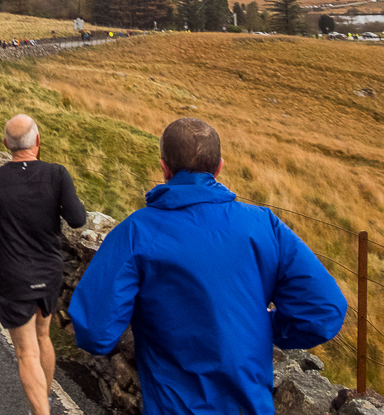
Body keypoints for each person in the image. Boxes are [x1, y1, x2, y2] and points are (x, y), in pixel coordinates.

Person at [68, 117, 347, 415]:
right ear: (219, 167)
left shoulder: (136, 232)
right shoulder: (264, 225)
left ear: (164, 168)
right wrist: (267, 327)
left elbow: (95, 332)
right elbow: (324, 312)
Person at [0, 116, 85, 415]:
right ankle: (41, 401)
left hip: (14, 275)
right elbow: (78, 219)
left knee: (26, 352)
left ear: (6, 144)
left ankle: (41, 410)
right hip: (49, 273)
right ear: (37, 142)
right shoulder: (57, 174)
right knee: (43, 336)